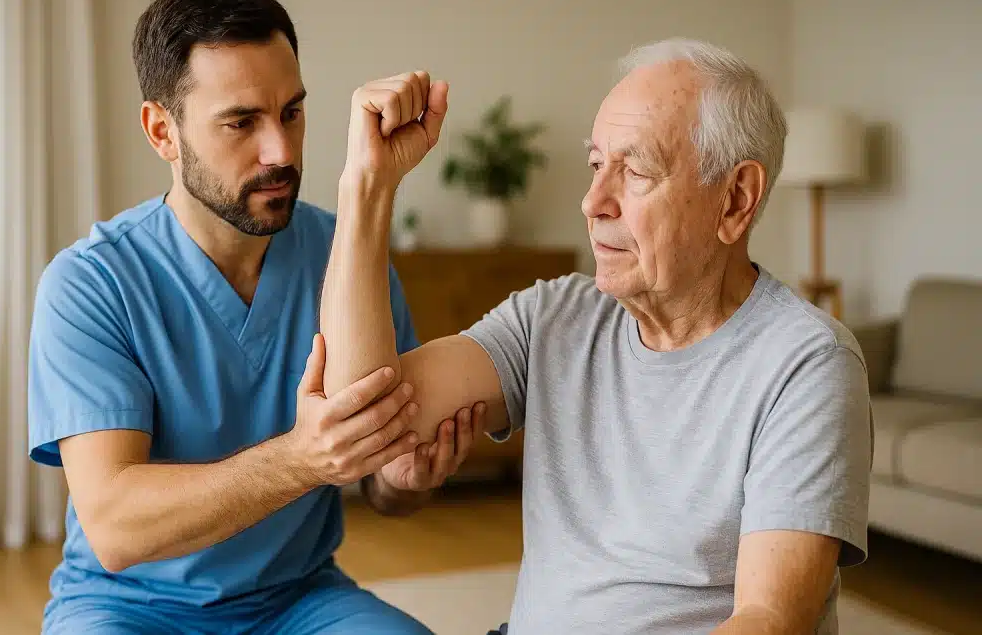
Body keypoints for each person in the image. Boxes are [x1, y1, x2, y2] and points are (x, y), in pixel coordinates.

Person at [319, 39, 874, 634]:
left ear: (735, 199)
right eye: (595, 165)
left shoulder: (807, 363)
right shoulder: (556, 315)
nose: (592, 201)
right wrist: (365, 189)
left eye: (634, 171)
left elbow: (769, 621)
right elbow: (365, 413)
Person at [27, 0, 486, 635]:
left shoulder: (344, 252)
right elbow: (116, 526)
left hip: (297, 599)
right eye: (241, 122)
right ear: (163, 131)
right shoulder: (91, 283)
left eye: (291, 113)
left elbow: (385, 487)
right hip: (126, 605)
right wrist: (302, 457)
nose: (280, 152)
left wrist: (407, 478)